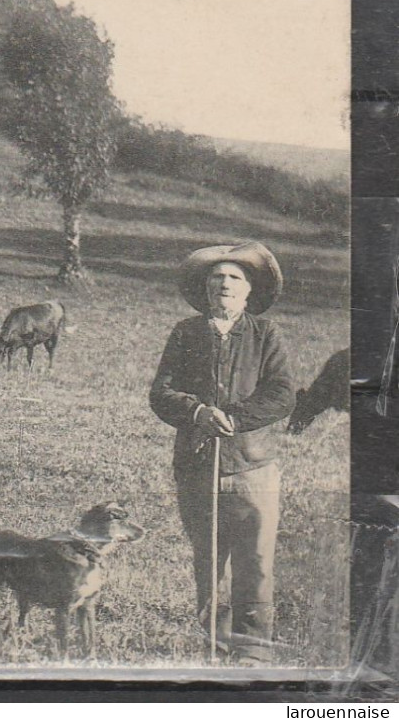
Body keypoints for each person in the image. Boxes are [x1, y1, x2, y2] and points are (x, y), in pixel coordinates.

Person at [149, 241, 295, 665]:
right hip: (197, 464)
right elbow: (161, 393)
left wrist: (232, 418)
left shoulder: (266, 335)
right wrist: (196, 412)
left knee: (256, 559)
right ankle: (213, 638)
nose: (225, 284)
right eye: (217, 277)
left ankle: (252, 650)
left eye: (235, 277)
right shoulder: (186, 332)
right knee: (209, 556)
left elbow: (282, 393)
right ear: (206, 288)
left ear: (249, 291)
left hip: (254, 466)